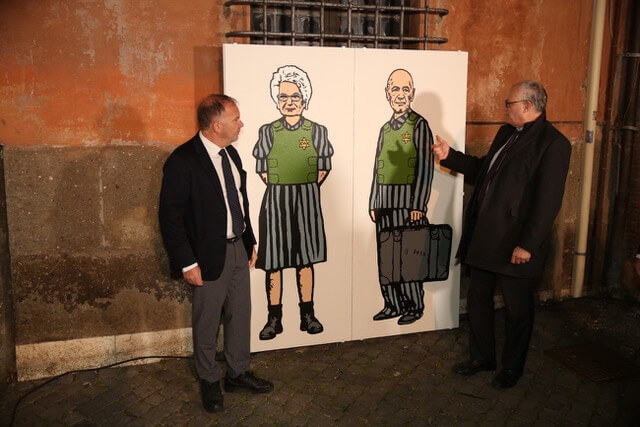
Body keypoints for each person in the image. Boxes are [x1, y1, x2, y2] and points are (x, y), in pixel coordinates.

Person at [432, 81, 571, 389]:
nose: (505, 108)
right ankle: (482, 358)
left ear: (528, 106)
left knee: (517, 309)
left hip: (515, 243)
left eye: (509, 103)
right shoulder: (506, 133)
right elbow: (484, 170)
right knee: (478, 299)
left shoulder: (554, 144)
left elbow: (548, 202)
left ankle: (512, 367)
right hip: (486, 236)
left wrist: (527, 244)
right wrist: (449, 155)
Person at [159, 94, 273, 413]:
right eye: (235, 118)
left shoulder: (231, 155)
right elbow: (170, 216)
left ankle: (237, 373)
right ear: (216, 124)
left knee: (240, 315)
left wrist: (250, 242)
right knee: (207, 321)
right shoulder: (183, 160)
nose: (241, 124)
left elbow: (240, 202)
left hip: (237, 248)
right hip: (205, 256)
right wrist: (186, 261)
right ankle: (209, 379)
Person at [253, 65, 334, 340]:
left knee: (305, 260)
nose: (289, 102)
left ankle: (307, 315)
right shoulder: (268, 131)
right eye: (283, 97)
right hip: (276, 201)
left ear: (305, 99)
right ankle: (273, 319)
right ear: (277, 100)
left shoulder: (317, 131)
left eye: (295, 96)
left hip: (307, 201)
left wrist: (303, 187)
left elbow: (323, 167)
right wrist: (282, 185)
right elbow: (262, 169)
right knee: (274, 262)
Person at [369, 69, 434, 325]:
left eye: (405, 89)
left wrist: (418, 205)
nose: (400, 95)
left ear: (412, 94)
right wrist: (374, 201)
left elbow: (425, 168)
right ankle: (391, 304)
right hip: (385, 203)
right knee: (387, 256)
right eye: (395, 89)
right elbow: (378, 166)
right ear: (387, 93)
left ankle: (413, 306)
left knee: (408, 258)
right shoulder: (385, 129)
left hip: (408, 205)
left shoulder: (419, 125)